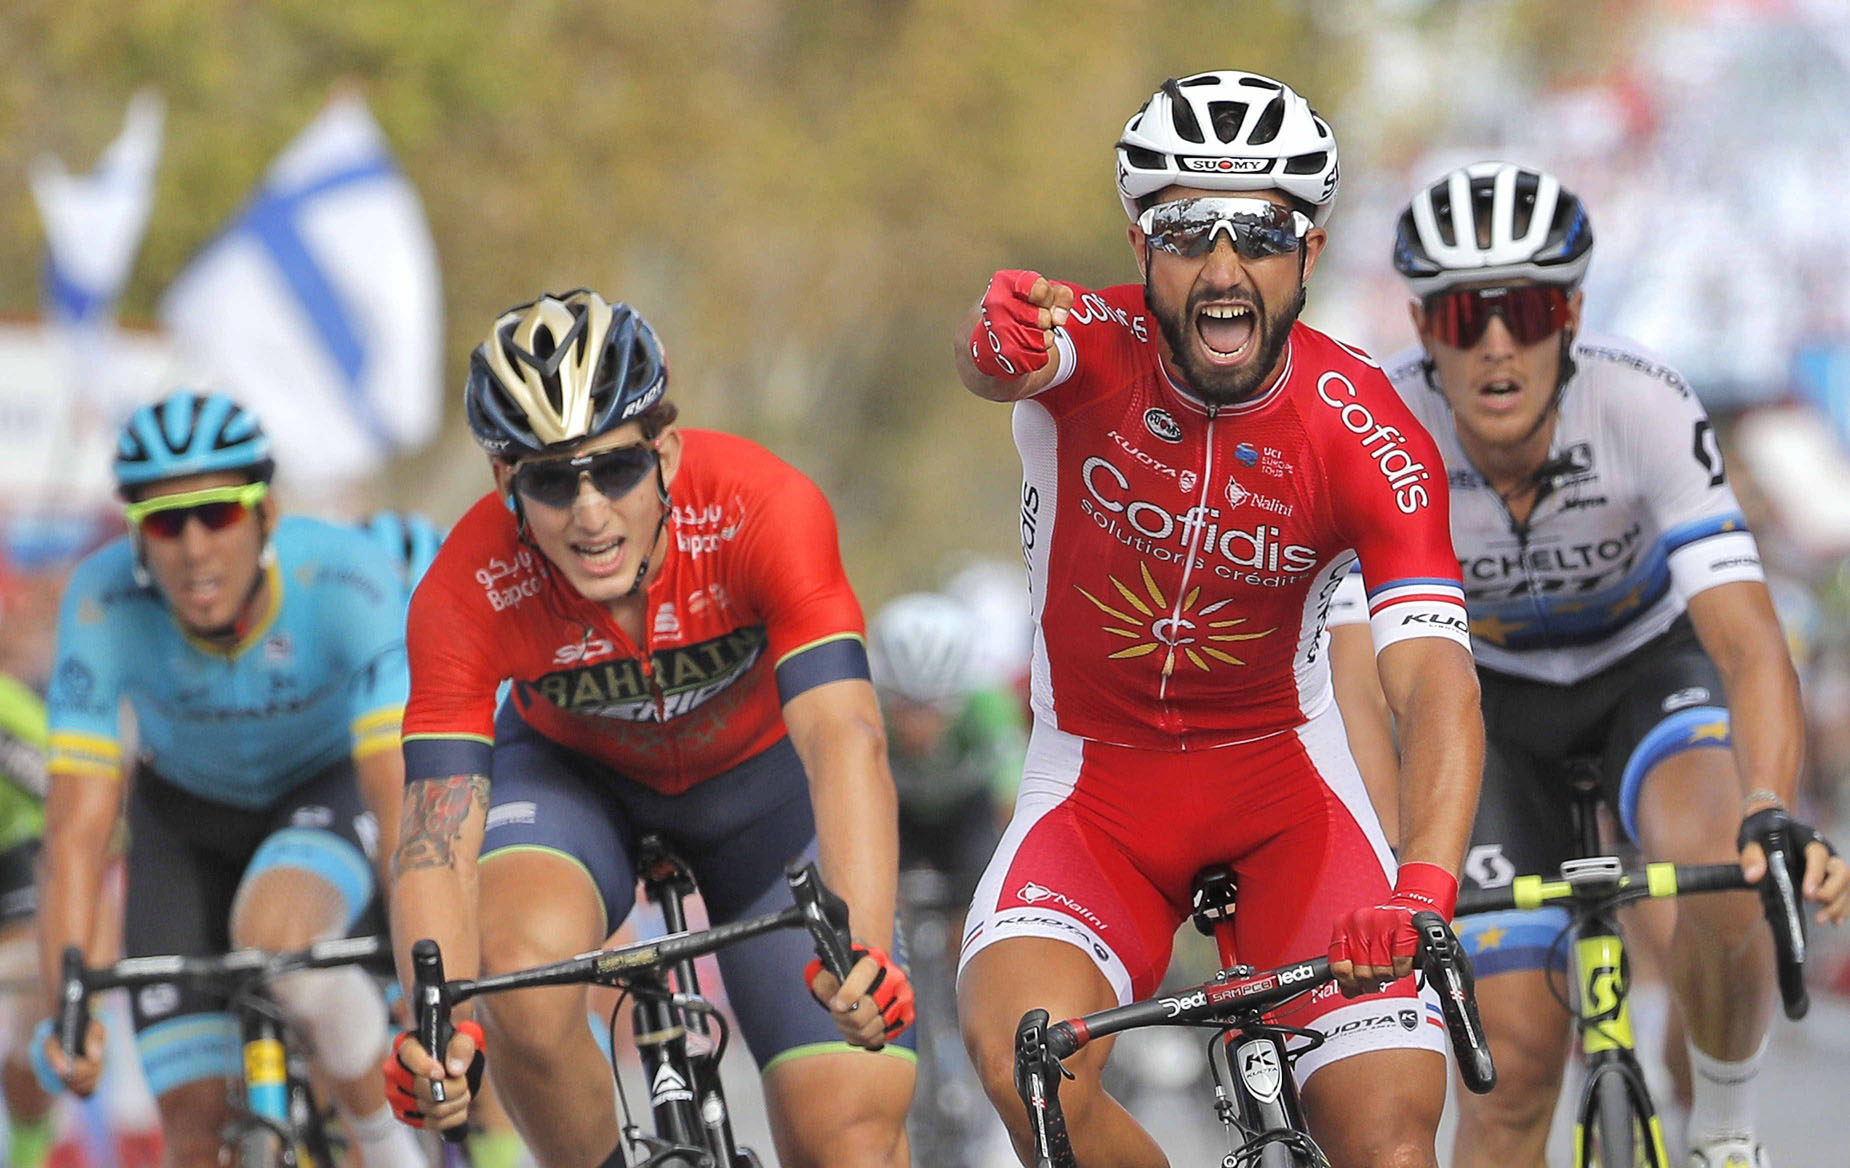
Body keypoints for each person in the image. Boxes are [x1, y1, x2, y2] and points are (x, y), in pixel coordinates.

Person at [951, 71, 1485, 1167]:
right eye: (1187, 229)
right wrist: (986, 341)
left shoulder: (1367, 431)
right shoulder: (1087, 344)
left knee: (1387, 1138)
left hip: (1286, 797)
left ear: (1311, 250)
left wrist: (1420, 884)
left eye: (1261, 230)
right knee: (1024, 1066)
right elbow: (999, 356)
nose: (1224, 265)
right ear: (1141, 244)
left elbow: (1432, 680)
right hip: (1094, 794)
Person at [1349, 160, 1850, 1168]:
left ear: (1569, 312)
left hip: (1643, 668)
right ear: (1418, 325)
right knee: (1511, 1069)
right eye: (1459, 318)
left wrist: (1766, 801)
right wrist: (1388, 855)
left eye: (1525, 309)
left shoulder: (1643, 403)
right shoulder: (1372, 425)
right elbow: (1354, 667)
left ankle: (1720, 1125)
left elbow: (1747, 637)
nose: (1496, 344)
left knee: (1722, 869)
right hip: (1481, 706)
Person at [382, 289, 916, 1168]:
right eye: (552, 481)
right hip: (571, 789)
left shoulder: (761, 505)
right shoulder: (464, 586)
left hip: (764, 798)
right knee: (519, 973)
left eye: (617, 470)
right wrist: (437, 1027)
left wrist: (862, 946)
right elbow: (435, 836)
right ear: (505, 483)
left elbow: (843, 737)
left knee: (851, 1141)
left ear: (664, 449)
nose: (590, 514)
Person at [39, 390, 423, 1168]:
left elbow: (399, 800)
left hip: (326, 790)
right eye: (162, 523)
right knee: (190, 1127)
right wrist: (67, 1011)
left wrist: (428, 993)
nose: (192, 548)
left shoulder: (349, 580)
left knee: (276, 934)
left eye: (216, 514)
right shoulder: (99, 602)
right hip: (183, 823)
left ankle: (387, 1148)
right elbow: (75, 838)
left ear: (266, 514)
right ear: (138, 537)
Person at [869, 591, 1024, 906]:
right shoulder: (865, 707)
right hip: (897, 812)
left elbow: (1012, 794)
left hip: (966, 814)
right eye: (903, 707)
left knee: (983, 886)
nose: (918, 725)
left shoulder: (988, 702)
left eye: (935, 708)